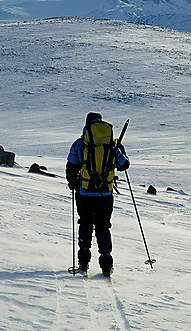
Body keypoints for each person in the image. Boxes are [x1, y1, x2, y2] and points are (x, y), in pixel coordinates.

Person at [65, 112, 130, 275]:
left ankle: (83, 262)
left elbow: (71, 167)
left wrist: (72, 182)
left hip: (84, 193)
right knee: (103, 226)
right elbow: (124, 165)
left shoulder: (80, 144)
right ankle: (107, 264)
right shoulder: (113, 143)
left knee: (85, 224)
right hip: (105, 193)